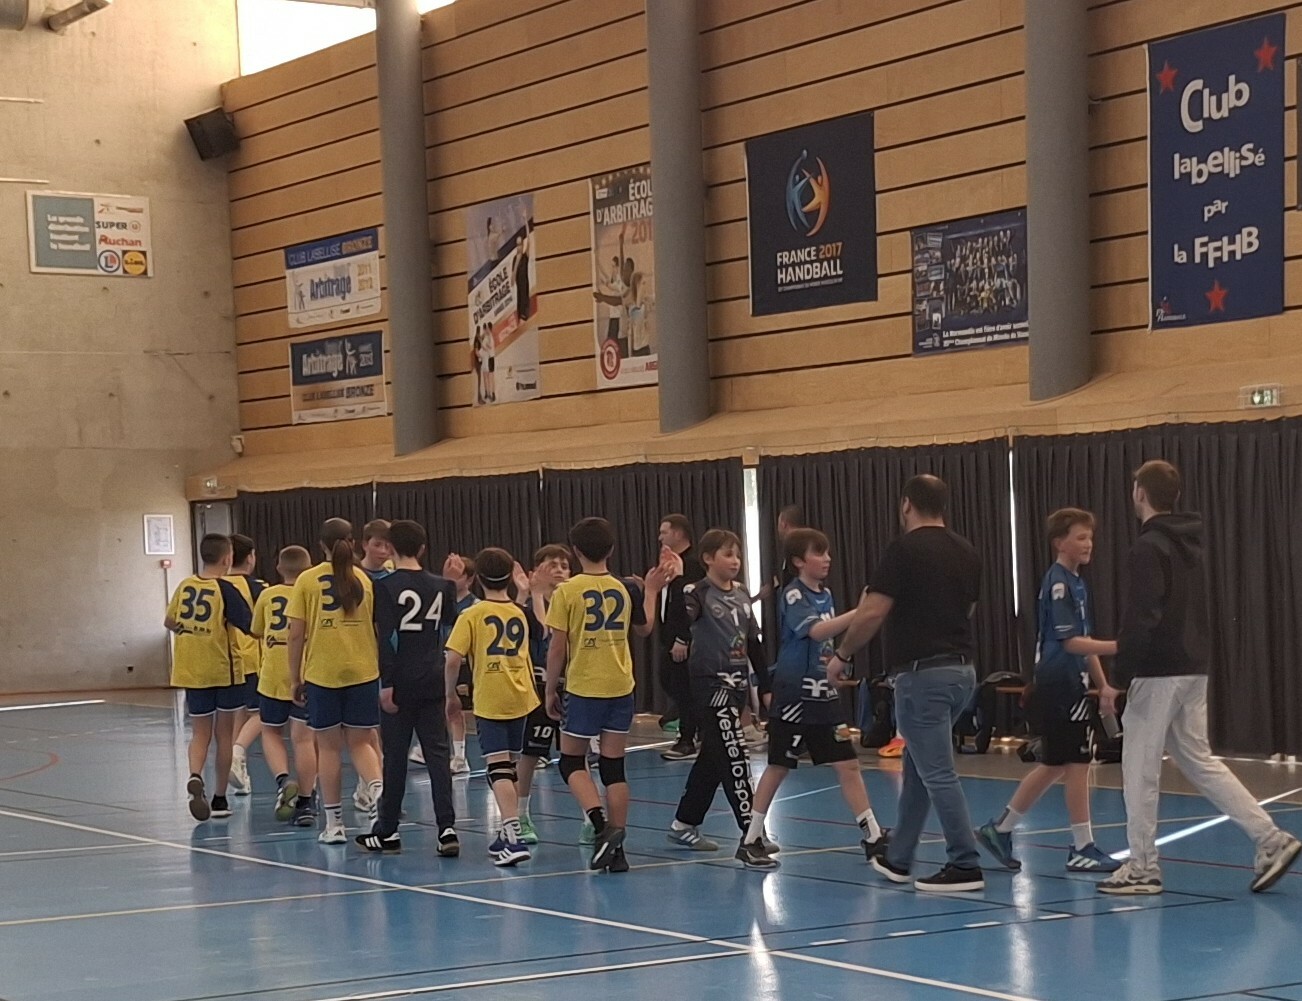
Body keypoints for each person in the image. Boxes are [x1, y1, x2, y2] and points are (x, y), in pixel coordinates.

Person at [1099, 460, 1302, 895]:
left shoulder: (1148, 547)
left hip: (1159, 673)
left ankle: (1142, 866)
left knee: (1139, 768)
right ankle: (1271, 839)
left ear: (1139, 493)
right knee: (1198, 760)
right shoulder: (1191, 545)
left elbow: (1141, 616)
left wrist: (1118, 677)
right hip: (1193, 669)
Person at [829, 474, 985, 893]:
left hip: (923, 675)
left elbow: (872, 612)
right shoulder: (967, 551)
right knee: (918, 766)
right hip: (962, 673)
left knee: (938, 773)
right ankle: (898, 858)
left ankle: (965, 863)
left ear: (906, 505)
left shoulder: (903, 550)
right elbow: (968, 608)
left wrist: (843, 654)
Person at [976, 509, 1122, 873]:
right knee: (1077, 763)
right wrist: (1120, 646)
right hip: (1059, 686)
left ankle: (1001, 829)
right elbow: (1071, 643)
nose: (1088, 543)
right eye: (1080, 537)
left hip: (1071, 685)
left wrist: (1103, 684)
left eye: (1090, 537)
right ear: (1059, 542)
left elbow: (1084, 642)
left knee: (1055, 764)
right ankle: (1082, 846)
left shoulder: (1077, 583)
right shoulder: (1058, 584)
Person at [745, 528, 888, 861]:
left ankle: (873, 834)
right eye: (818, 553)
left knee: (848, 764)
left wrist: (834, 667)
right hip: (794, 696)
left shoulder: (826, 595)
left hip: (823, 696)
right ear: (799, 561)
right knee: (779, 766)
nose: (826, 559)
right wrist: (861, 612)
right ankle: (751, 838)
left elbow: (826, 642)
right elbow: (817, 631)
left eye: (827, 553)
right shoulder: (794, 595)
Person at [545, 517, 674, 872]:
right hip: (620, 686)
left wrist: (549, 688)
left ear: (575, 551)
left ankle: (603, 828)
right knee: (614, 767)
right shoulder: (624, 588)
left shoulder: (567, 591)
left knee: (571, 762)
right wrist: (651, 591)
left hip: (585, 686)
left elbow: (557, 647)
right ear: (612, 549)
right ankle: (618, 851)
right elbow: (646, 628)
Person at [665, 530, 777, 870]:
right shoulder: (696, 593)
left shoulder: (741, 594)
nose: (735, 561)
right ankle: (752, 836)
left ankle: (684, 822)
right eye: (728, 554)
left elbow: (753, 642)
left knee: (713, 758)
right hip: (710, 688)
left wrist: (765, 685)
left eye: (737, 555)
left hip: (738, 686)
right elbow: (676, 623)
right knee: (735, 756)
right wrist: (674, 585)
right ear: (708, 559)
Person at [356, 520, 460, 858]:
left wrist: (386, 683)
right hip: (433, 677)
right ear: (423, 548)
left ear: (390, 547)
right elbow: (448, 627)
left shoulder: (384, 586)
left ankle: (387, 829)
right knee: (438, 756)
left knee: (396, 758)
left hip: (400, 681)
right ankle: (446, 828)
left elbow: (386, 638)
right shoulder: (442, 586)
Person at [287, 518, 384, 845]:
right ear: (352, 543)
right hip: (363, 671)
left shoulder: (307, 580)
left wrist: (294, 677)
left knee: (328, 748)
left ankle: (334, 824)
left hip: (323, 673)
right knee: (362, 742)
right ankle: (377, 792)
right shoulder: (364, 579)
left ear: (321, 545)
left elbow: (295, 634)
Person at [445, 547, 540, 866]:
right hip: (521, 695)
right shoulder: (519, 612)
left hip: (492, 696)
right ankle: (506, 829)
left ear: (478, 578)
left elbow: (453, 659)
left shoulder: (472, 614)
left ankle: (513, 837)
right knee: (509, 767)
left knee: (497, 768)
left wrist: (450, 695)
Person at [164, 533, 253, 823]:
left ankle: (194, 775)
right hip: (223, 670)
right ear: (228, 558)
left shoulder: (185, 585)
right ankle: (219, 798)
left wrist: (189, 633)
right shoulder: (226, 590)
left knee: (200, 732)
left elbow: (169, 621)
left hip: (192, 669)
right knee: (224, 734)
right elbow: (250, 625)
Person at [251, 545, 318, 826]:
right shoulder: (312, 593)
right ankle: (306, 802)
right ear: (310, 568)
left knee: (271, 731)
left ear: (278, 568)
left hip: (273, 675)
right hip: (306, 672)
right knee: (304, 739)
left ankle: (282, 780)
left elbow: (256, 630)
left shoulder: (267, 595)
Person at [516, 543, 572, 844]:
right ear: (536, 571)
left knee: (578, 755)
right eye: (553, 564)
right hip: (538, 688)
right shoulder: (526, 607)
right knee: (530, 754)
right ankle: (520, 814)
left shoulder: (575, 600)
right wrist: (534, 594)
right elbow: (545, 635)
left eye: (564, 565)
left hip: (572, 686)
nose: (560, 570)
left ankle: (591, 817)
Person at [657, 514, 706, 761]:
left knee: (684, 688)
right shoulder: (670, 564)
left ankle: (687, 739)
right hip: (668, 637)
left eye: (664, 532)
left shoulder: (692, 565)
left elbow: (690, 604)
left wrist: (683, 638)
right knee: (669, 680)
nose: (660, 538)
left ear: (677, 534)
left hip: (684, 639)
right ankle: (693, 728)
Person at [227, 533, 266, 797]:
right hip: (253, 659)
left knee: (238, 714)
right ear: (251, 557)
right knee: (263, 713)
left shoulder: (216, 585)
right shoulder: (258, 588)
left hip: (227, 661)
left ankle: (237, 769)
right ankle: (237, 752)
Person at [436, 553, 479, 775]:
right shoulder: (440, 601)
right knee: (444, 708)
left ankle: (461, 756)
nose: (452, 580)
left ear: (469, 579)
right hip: (442, 660)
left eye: (458, 575)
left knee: (456, 709)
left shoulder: (474, 606)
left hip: (464, 664)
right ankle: (448, 752)